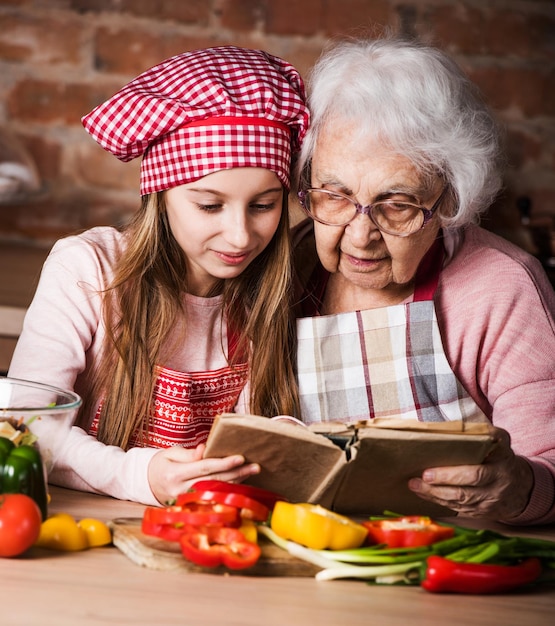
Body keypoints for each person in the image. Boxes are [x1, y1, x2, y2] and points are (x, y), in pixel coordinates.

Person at [8, 45, 309, 506]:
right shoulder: (87, 269)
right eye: (209, 205)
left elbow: (269, 427)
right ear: (160, 196)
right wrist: (141, 475)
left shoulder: (273, 292)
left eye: (264, 205)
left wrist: (278, 443)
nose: (240, 235)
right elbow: (25, 424)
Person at [292, 36, 555, 525]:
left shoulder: (503, 286)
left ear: (450, 200)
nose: (361, 235)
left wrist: (519, 489)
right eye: (334, 194)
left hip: (448, 563)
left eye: (397, 204)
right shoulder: (283, 267)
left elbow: (550, 469)